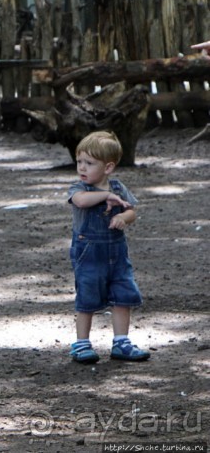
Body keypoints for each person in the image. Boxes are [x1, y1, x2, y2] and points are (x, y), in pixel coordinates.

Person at [67, 131, 150, 364]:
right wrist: (106, 196)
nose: (82, 168)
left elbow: (132, 209)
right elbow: (82, 202)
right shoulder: (78, 189)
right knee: (87, 296)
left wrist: (124, 217)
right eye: (79, 162)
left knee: (123, 295)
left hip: (117, 252)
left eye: (89, 163)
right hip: (89, 253)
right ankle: (81, 344)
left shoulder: (118, 187)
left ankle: (121, 342)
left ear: (108, 167)